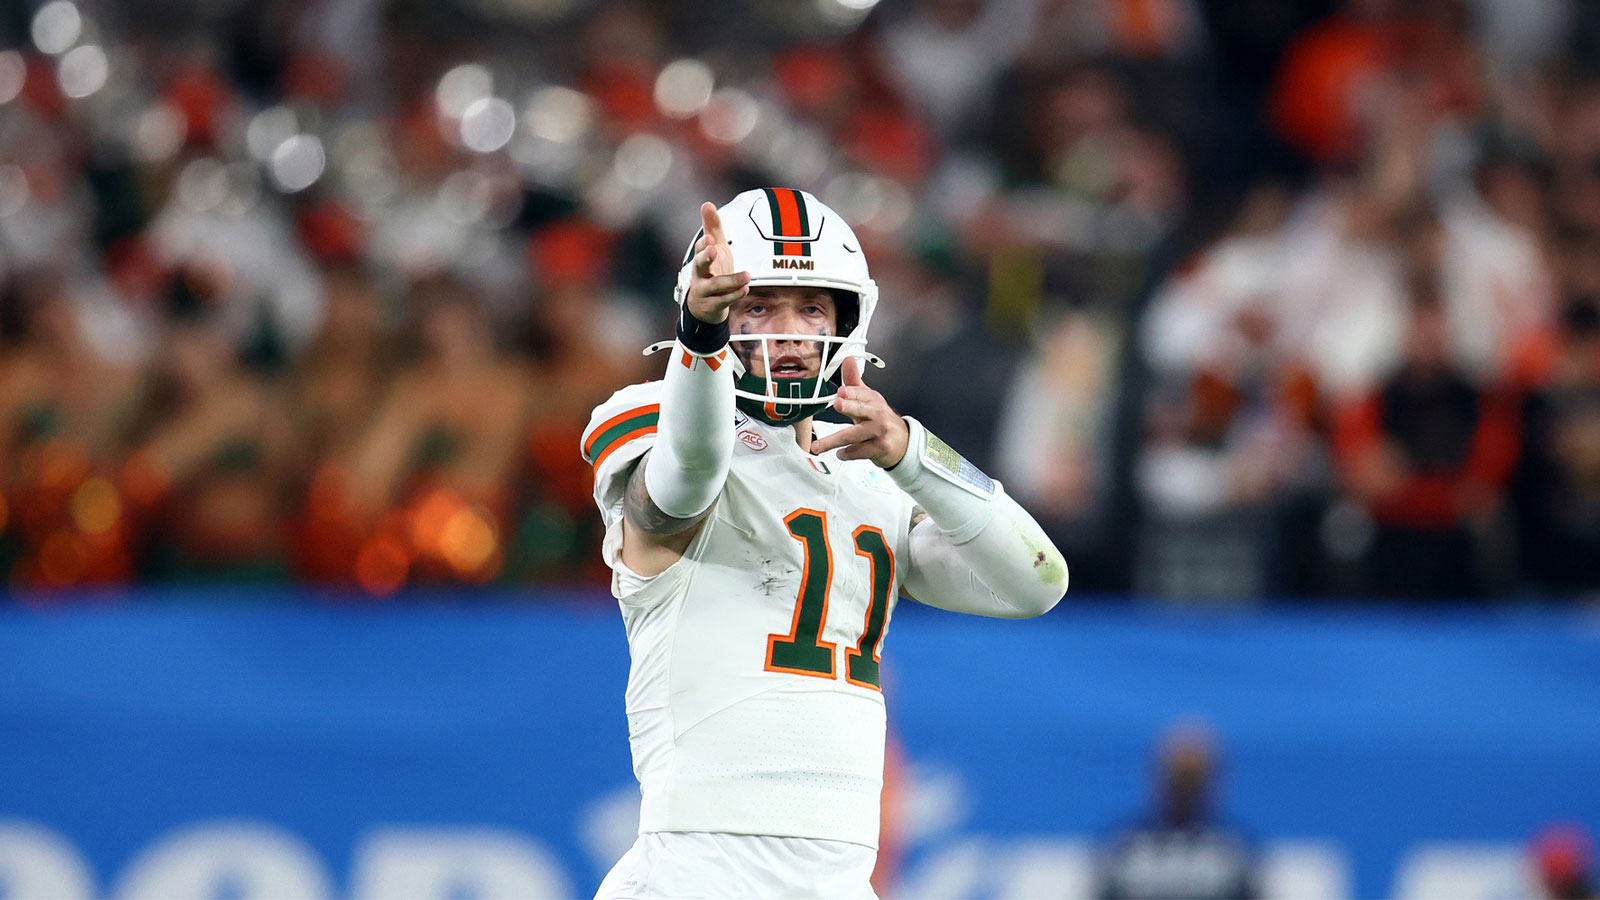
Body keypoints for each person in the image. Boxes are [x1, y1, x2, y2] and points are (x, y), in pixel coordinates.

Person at [581, 188, 1069, 899]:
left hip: (840, 875)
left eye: (810, 307)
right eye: (758, 305)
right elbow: (686, 481)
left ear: (848, 320)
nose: (787, 331)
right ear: (707, 306)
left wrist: (914, 456)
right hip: (699, 867)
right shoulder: (648, 416)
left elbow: (1037, 583)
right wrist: (702, 341)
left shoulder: (875, 478)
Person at [1094, 721, 1259, 900]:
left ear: (1211, 782)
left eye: (1192, 781)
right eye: (1178, 781)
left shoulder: (1233, 851)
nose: (1184, 792)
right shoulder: (1125, 849)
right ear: (1158, 778)